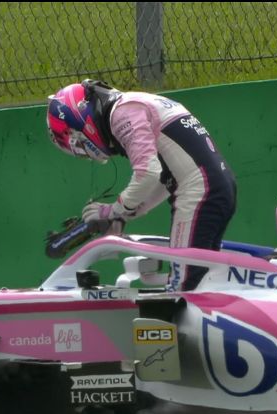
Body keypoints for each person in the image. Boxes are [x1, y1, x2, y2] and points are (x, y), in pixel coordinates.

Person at [46, 79, 237, 291]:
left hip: (198, 193)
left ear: (81, 119)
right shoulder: (135, 103)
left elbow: (147, 173)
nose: (83, 151)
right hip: (217, 187)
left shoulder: (122, 114)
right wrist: (125, 213)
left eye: (78, 142)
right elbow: (166, 178)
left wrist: (113, 210)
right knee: (205, 282)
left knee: (183, 288)